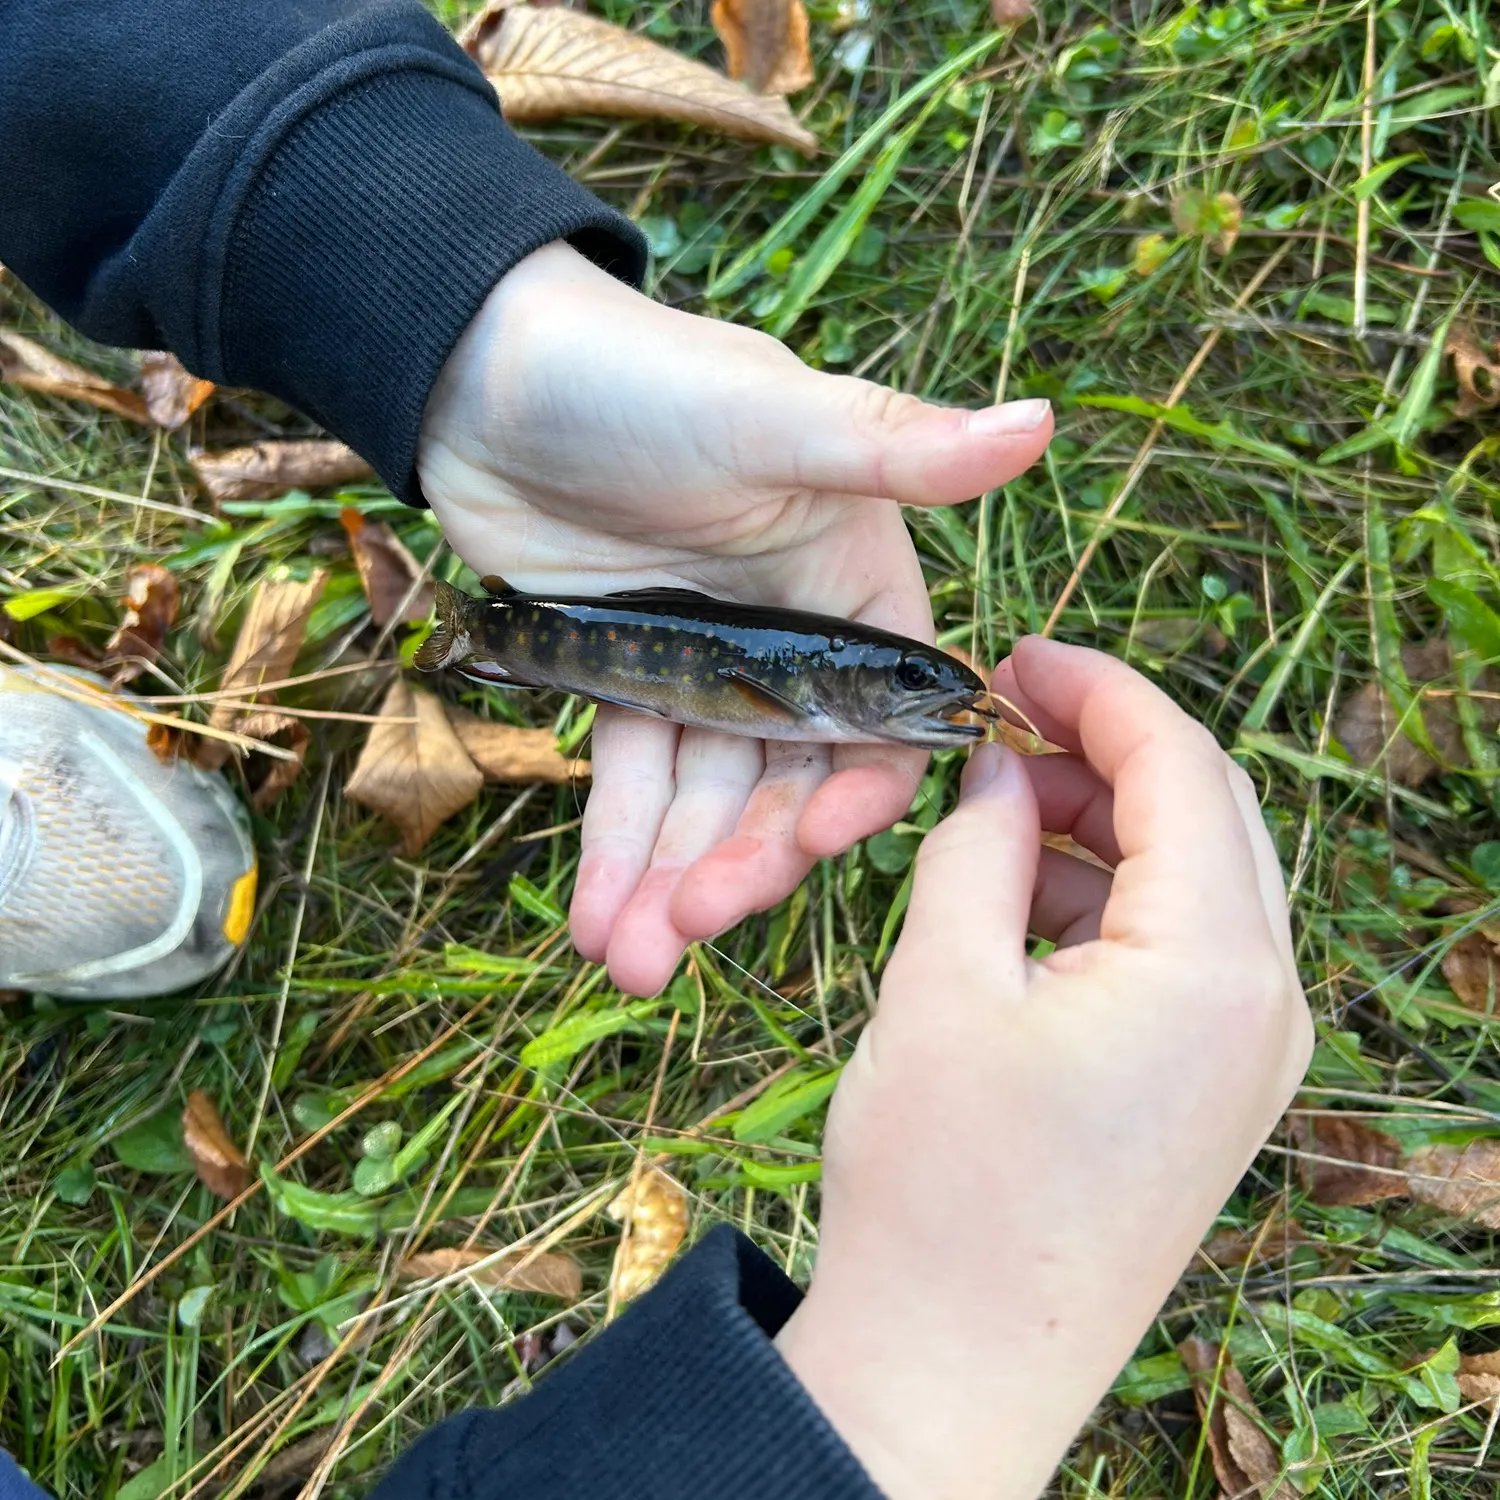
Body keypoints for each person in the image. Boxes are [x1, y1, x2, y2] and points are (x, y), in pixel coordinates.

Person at [0, 2, 1315, 1496]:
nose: (932, 701)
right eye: (908, 690)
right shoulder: (821, 688)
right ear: (847, 690)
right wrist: (915, 1397)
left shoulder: (836, 684)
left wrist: (466, 322)